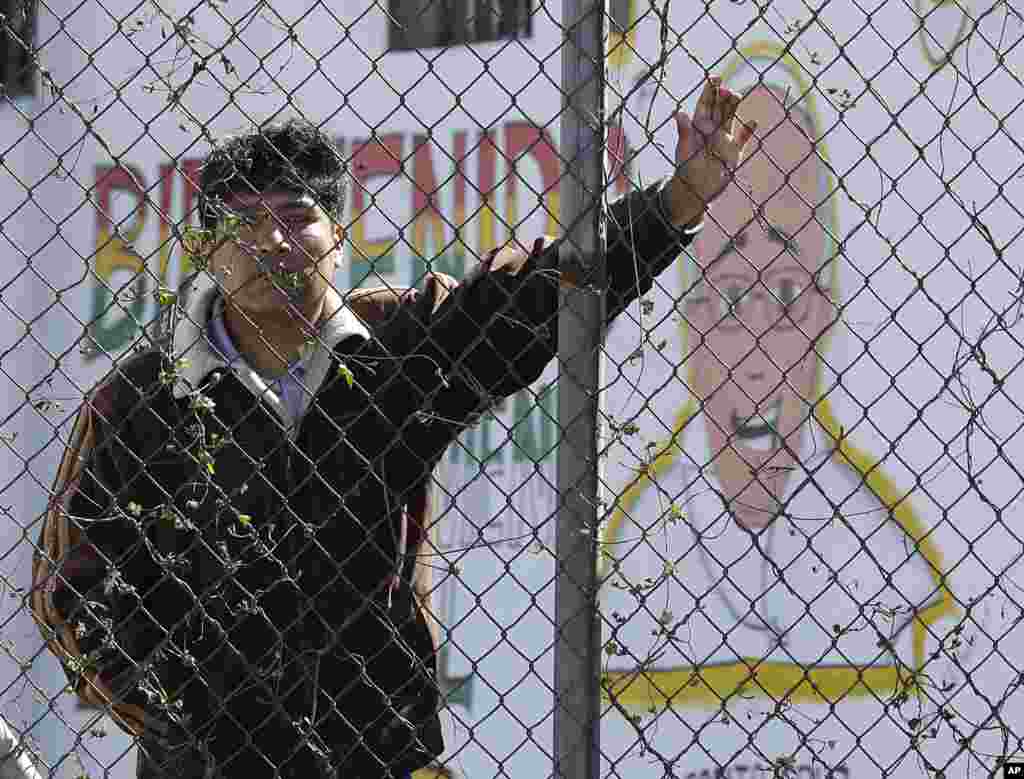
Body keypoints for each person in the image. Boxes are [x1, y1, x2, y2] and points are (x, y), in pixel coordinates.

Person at [31, 76, 756, 778]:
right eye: (242, 222)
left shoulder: (396, 349)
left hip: (375, 752)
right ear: (206, 249)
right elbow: (73, 587)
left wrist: (678, 202)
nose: (272, 243)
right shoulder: (141, 399)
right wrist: (184, 710)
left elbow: (536, 296)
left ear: (339, 238)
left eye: (295, 217)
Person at [602, 81, 955, 718]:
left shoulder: (879, 555)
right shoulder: (643, 544)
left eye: (786, 295)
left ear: (822, 315)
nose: (760, 353)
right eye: (734, 298)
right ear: (694, 321)